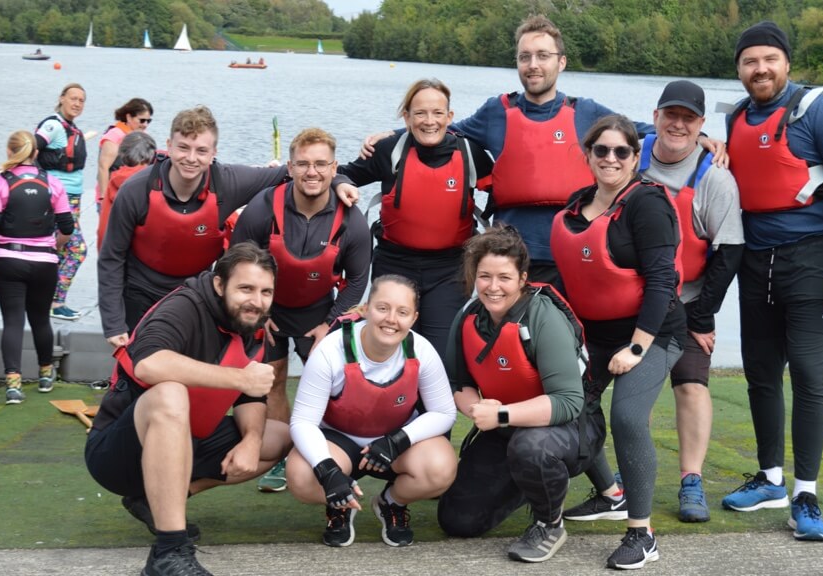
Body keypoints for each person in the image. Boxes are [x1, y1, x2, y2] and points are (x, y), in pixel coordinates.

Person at [361, 15, 724, 286]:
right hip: (509, 255)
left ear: (560, 62)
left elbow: (643, 132)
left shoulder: (586, 112)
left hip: (571, 252)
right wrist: (395, 134)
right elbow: (439, 130)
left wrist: (701, 137)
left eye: (542, 56)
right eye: (525, 57)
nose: (533, 65)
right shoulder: (496, 112)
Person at [719, 21, 823, 542]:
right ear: (739, 68)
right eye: (749, 61)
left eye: (769, 59)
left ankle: (805, 494)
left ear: (786, 62)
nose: (759, 69)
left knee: (808, 373)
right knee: (761, 372)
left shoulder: (817, 111)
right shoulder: (738, 116)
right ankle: (769, 479)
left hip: (815, 261)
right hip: (756, 262)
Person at [563, 81, 743, 525]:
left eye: (690, 119)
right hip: (623, 301)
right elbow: (607, 133)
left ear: (701, 126)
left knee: (691, 385)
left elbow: (731, 250)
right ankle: (612, 490)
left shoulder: (713, 176)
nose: (678, 124)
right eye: (670, 115)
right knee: (576, 400)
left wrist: (701, 317)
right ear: (656, 117)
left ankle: (691, 479)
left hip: (681, 305)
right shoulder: (629, 151)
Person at [85, 242, 291, 576]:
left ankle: (160, 499)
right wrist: (239, 377)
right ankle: (170, 552)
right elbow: (148, 365)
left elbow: (250, 395)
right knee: (170, 393)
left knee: (279, 436)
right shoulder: (185, 307)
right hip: (117, 453)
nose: (257, 300)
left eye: (266, 291)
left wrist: (252, 440)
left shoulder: (250, 322)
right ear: (219, 284)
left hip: (188, 442)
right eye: (246, 289)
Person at [98, 106, 360, 349]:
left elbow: (298, 173)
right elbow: (111, 256)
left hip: (195, 290)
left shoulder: (228, 182)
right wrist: (113, 322)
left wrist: (339, 181)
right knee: (139, 367)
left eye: (201, 150)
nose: (191, 158)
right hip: (140, 289)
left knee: (192, 366)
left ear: (214, 153)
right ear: (168, 147)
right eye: (183, 148)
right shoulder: (136, 190)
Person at [550, 115, 685, 570]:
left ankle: (641, 534)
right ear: (587, 155)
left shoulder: (647, 205)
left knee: (627, 417)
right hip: (594, 335)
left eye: (621, 151)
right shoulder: (577, 204)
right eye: (601, 151)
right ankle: (610, 492)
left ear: (634, 156)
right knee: (571, 406)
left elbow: (663, 280)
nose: (610, 159)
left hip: (652, 333)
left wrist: (637, 347)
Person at [438, 225, 602, 564]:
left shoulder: (543, 318)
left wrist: (499, 416)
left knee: (531, 447)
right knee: (458, 521)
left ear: (523, 278)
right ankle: (531, 482)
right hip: (506, 428)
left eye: (504, 277)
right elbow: (458, 383)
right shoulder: (468, 316)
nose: (493, 287)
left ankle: (549, 523)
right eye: (484, 276)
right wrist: (475, 409)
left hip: (570, 430)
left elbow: (568, 402)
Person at [230, 127, 371, 493]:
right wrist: (257, 312)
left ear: (334, 167)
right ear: (289, 167)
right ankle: (281, 455)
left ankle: (325, 451)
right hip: (269, 311)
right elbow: (235, 263)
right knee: (272, 379)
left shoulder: (352, 220)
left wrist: (330, 323)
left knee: (329, 383)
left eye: (321, 164)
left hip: (319, 312)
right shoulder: (264, 206)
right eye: (304, 164)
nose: (313, 172)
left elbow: (357, 281)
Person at [286, 275, 457, 548]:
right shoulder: (331, 350)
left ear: (413, 318)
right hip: (338, 441)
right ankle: (340, 503)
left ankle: (391, 503)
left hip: (393, 444)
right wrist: (327, 471)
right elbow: (303, 421)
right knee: (301, 476)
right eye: (383, 308)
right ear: (366, 309)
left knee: (440, 468)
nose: (391, 319)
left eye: (402, 312)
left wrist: (398, 440)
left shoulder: (421, 350)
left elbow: (444, 413)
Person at [339, 78, 494, 361]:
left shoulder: (470, 153)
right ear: (406, 117)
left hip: (451, 270)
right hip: (394, 265)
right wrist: (339, 183)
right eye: (420, 113)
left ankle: (434, 406)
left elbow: (502, 193)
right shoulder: (388, 150)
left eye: (437, 113)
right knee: (390, 350)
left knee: (439, 358)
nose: (429, 121)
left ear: (450, 117)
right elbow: (345, 173)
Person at [0, 131, 75, 404]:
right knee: (40, 318)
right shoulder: (53, 183)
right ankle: (45, 374)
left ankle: (13, 384)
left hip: (8, 260)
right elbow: (67, 227)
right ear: (36, 154)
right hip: (45, 262)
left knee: (13, 320)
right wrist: (54, 246)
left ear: (10, 152)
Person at [35, 82, 88, 321]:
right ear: (62, 98)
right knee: (77, 249)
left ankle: (45, 298)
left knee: (61, 248)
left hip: (73, 198)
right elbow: (32, 147)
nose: (77, 103)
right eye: (73, 98)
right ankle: (56, 302)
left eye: (81, 100)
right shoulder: (53, 126)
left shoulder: (71, 128)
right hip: (59, 197)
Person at [96, 130, 157, 251]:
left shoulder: (113, 181)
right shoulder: (152, 182)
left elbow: (103, 231)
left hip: (113, 255)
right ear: (151, 156)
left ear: (122, 154)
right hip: (144, 259)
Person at [95, 98, 153, 212]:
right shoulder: (114, 136)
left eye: (148, 121)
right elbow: (103, 168)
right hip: (112, 196)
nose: (145, 125)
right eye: (142, 120)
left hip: (132, 197)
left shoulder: (142, 137)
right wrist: (104, 198)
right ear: (128, 117)